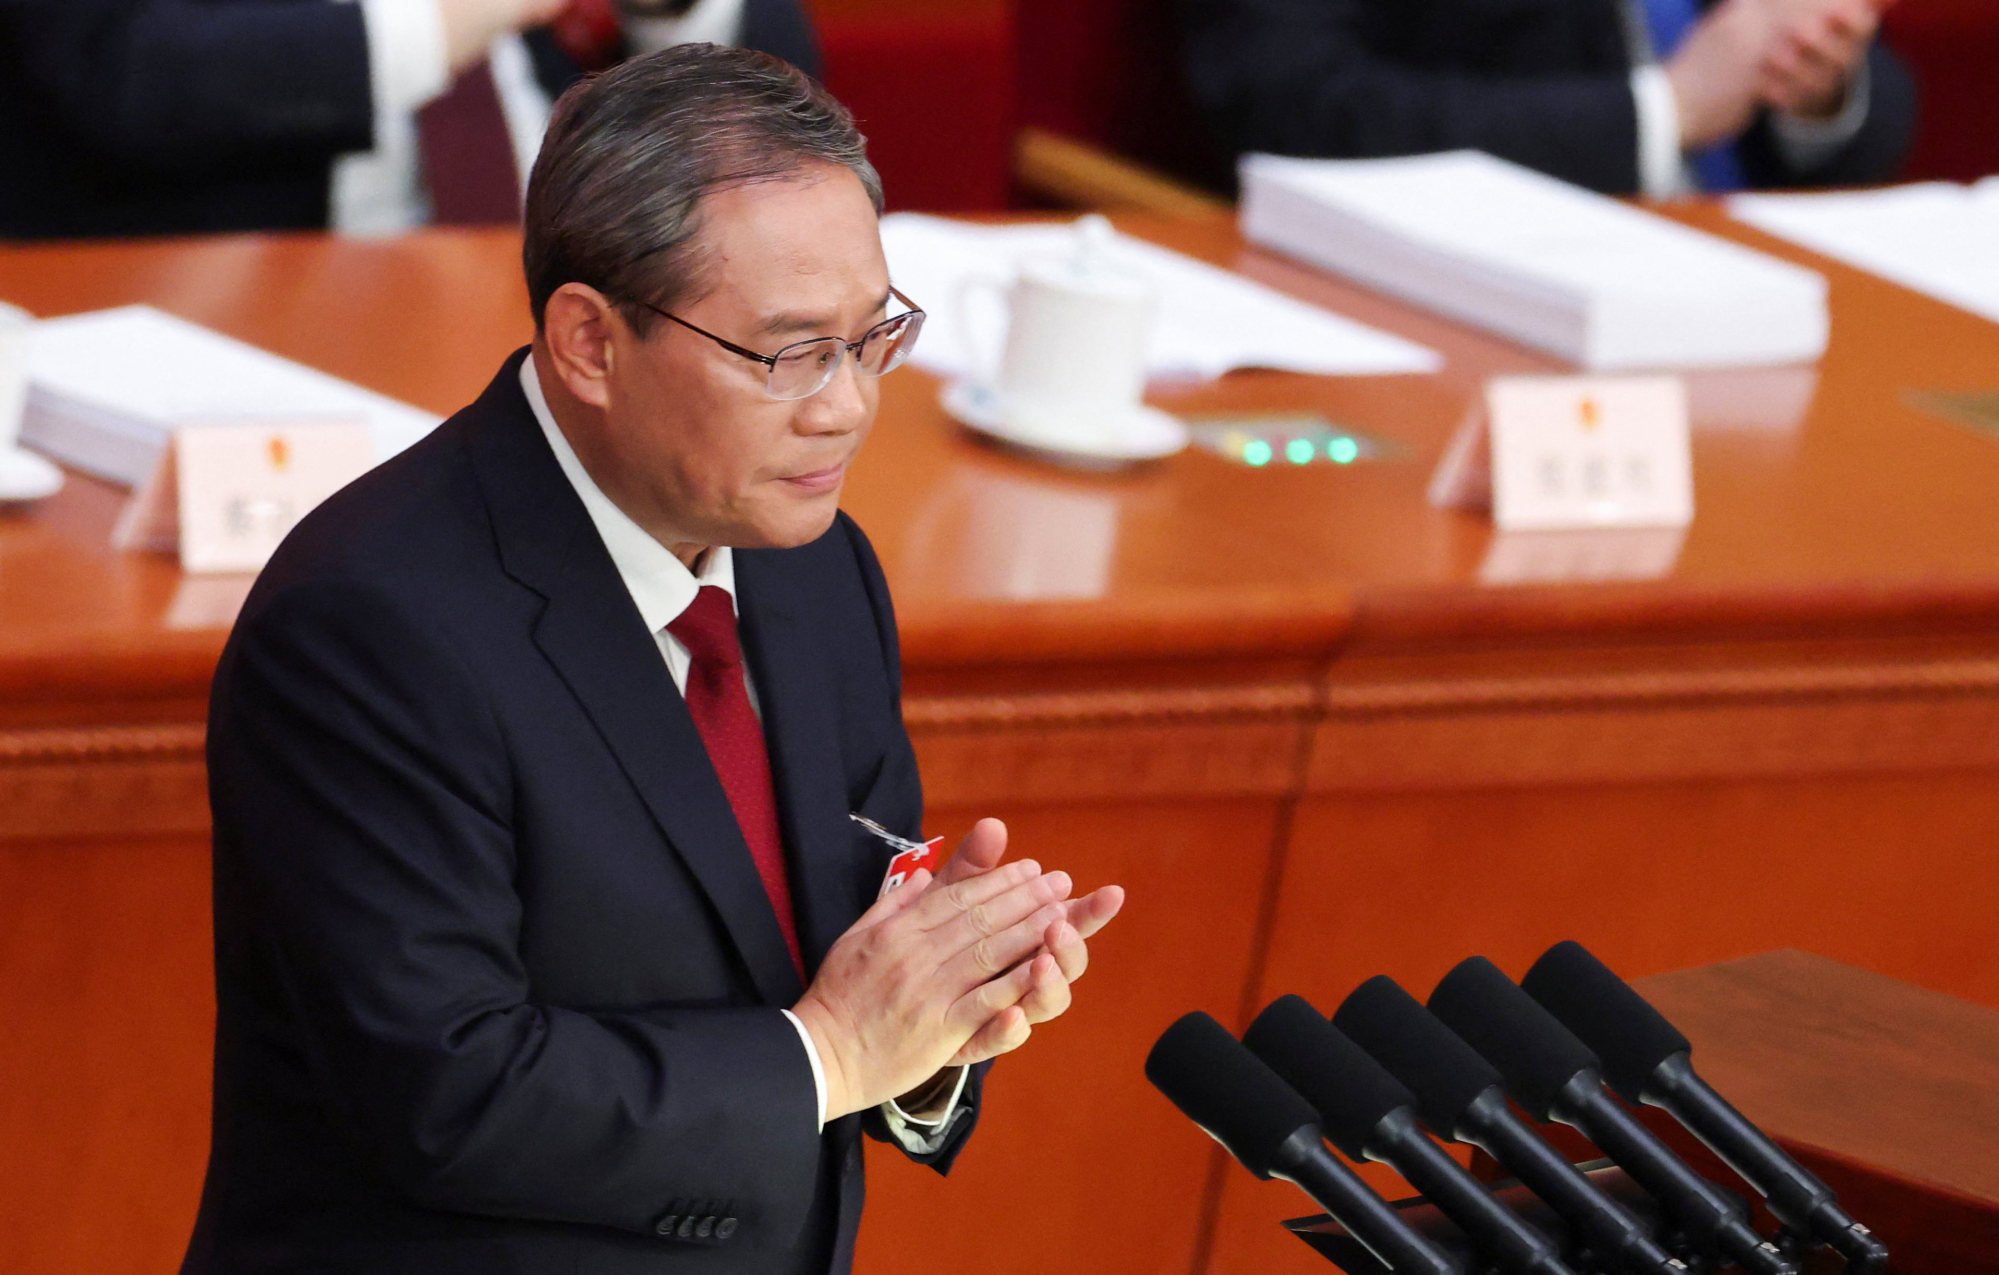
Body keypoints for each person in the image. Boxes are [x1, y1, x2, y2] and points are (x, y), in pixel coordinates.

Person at [181, 44, 1125, 1275]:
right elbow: (450, 1095)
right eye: (788, 353)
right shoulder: (371, 626)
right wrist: (835, 1050)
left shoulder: (811, 566)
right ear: (588, 342)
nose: (845, 406)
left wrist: (940, 1013)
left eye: (871, 336)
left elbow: (827, 978)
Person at [0, 0, 818, 239]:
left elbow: (784, 90)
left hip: (574, 295)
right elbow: (124, 75)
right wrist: (448, 21)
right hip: (241, 301)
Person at [1182, 0, 1917, 196]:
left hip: (1755, 268)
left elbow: (1884, 98)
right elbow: (1289, 104)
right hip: (1472, 282)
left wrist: (1814, 82)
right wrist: (1661, 115)